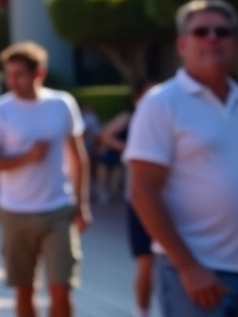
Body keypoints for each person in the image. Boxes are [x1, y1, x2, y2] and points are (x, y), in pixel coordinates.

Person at [125, 0, 238, 316]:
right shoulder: (162, 103)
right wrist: (189, 267)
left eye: (223, 31)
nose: (212, 38)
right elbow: (142, 191)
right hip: (197, 274)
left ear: (237, 44)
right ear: (182, 44)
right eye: (201, 31)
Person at [0, 42, 91, 317]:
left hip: (58, 209)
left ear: (38, 74)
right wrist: (27, 157)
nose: (13, 82)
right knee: (24, 290)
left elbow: (77, 157)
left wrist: (82, 202)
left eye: (20, 75)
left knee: (61, 288)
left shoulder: (62, 104)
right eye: (9, 75)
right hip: (15, 212)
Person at [102, 80, 158, 317]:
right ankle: (142, 311)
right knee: (146, 263)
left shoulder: (172, 116)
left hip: (172, 202)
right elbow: (106, 135)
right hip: (140, 200)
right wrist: (126, 148)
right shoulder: (131, 117)